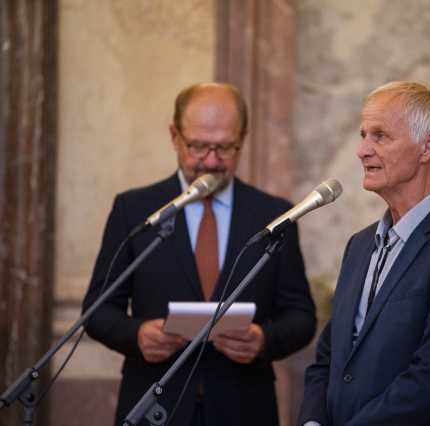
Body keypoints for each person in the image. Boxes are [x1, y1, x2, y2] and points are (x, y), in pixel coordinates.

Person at [82, 82, 316, 426]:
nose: (211, 161)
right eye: (198, 146)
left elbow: (301, 316)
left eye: (225, 148)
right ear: (174, 136)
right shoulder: (135, 210)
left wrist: (263, 340)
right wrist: (137, 335)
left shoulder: (275, 215)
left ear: (243, 139)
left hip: (244, 407)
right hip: (155, 403)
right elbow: (98, 311)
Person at [298, 82, 430, 426]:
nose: (362, 151)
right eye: (363, 135)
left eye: (380, 136)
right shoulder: (359, 245)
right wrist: (312, 422)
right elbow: (328, 359)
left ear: (428, 146)